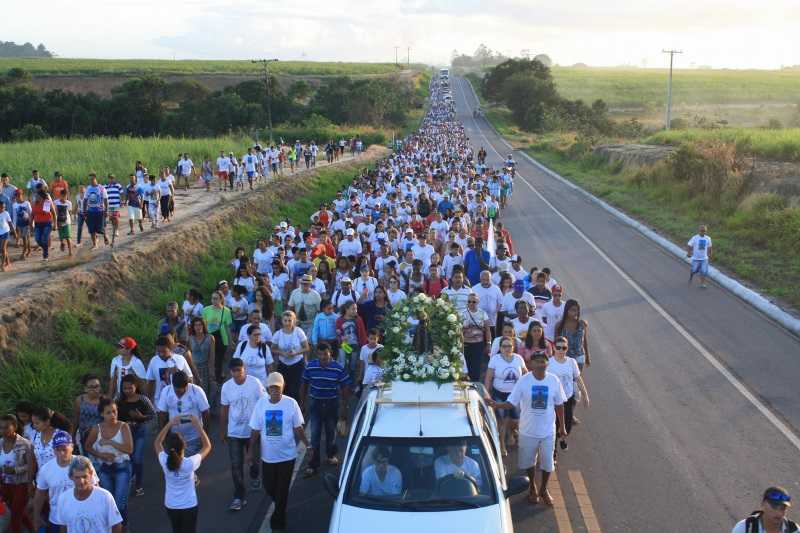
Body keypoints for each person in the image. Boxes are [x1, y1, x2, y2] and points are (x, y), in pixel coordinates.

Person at [490, 351, 566, 507]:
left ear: (547, 363)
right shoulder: (524, 381)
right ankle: (532, 486)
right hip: (527, 431)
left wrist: (562, 427)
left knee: (547, 462)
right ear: (531, 364)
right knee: (529, 462)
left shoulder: (554, 380)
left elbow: (559, 405)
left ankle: (544, 489)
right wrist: (496, 404)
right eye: (536, 361)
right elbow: (512, 402)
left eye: (542, 361)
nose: (540, 364)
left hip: (547, 432)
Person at [249, 372, 309, 532]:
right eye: (272, 387)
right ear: (268, 388)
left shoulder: (291, 403)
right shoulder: (261, 404)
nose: (275, 390)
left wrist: (307, 444)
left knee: (282, 490)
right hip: (268, 457)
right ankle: (280, 506)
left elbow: (298, 428)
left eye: (278, 387)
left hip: (287, 456)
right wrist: (249, 451)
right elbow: (255, 429)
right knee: (269, 487)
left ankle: (278, 522)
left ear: (283, 387)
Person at [220, 357, 266, 511]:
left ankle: (254, 476)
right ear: (230, 372)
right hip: (234, 433)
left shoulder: (255, 383)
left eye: (239, 370)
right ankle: (239, 496)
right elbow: (224, 409)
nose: (236, 374)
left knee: (253, 460)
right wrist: (223, 430)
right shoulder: (226, 387)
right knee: (235, 465)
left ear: (244, 369)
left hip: (252, 431)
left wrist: (263, 426)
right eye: (233, 371)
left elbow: (263, 403)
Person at [300, 342, 351, 477]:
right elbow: (304, 384)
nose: (323, 357)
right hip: (315, 403)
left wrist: (344, 406)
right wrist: (302, 403)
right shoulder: (310, 366)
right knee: (315, 434)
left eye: (325, 354)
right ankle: (312, 464)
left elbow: (345, 386)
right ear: (317, 354)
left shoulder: (338, 368)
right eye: (320, 354)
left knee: (330, 432)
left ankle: (330, 455)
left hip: (332, 403)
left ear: (331, 353)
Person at [155, 415, 212, 533]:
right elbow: (207, 446)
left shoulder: (164, 461)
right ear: (184, 445)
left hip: (171, 505)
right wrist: (197, 425)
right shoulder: (189, 464)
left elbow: (157, 443)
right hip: (189, 506)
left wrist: (169, 424)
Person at [33, 430, 98, 533]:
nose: (61, 453)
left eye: (64, 449)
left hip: (82, 518)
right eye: (57, 449)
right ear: (53, 450)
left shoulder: (84, 463)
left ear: (72, 447)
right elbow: (39, 495)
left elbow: (95, 488)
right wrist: (36, 517)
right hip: (57, 519)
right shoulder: (46, 469)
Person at [84, 396, 133, 526]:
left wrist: (110, 442)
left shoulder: (123, 427)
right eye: (108, 412)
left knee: (119, 502)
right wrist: (101, 455)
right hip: (104, 468)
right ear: (102, 414)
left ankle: (124, 528)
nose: (112, 415)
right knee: (109, 502)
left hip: (122, 467)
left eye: (114, 411)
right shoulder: (97, 429)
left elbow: (129, 449)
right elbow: (87, 447)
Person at [51, 456, 123, 532]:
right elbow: (63, 527)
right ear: (71, 477)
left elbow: (116, 525)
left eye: (84, 476)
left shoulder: (105, 496)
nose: (81, 481)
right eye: (77, 477)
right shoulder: (63, 499)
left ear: (91, 474)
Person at [484, 339, 527, 456]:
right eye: (504, 346)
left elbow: (525, 374)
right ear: (500, 348)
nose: (507, 348)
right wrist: (486, 393)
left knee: (515, 420)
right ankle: (502, 444)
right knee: (502, 421)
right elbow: (488, 377)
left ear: (513, 347)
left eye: (509, 346)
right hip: (499, 394)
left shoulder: (519, 359)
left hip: (515, 395)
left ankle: (512, 431)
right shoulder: (495, 359)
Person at [116, 374, 155, 497]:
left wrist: (141, 417)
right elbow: (113, 414)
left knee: (137, 458)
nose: (127, 391)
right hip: (124, 433)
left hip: (139, 431)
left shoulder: (143, 399)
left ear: (136, 387)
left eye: (130, 388)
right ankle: (129, 478)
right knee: (128, 458)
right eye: (124, 388)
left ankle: (138, 484)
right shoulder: (118, 400)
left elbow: (153, 415)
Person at [157, 371, 210, 457]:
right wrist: (163, 436)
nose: (178, 394)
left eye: (181, 392)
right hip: (174, 439)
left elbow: (206, 413)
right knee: (176, 466)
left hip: (194, 438)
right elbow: (161, 414)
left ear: (187, 385)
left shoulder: (197, 391)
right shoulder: (166, 391)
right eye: (176, 391)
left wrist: (205, 434)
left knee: (188, 466)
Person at [549, 337, 589, 451]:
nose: (561, 350)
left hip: (568, 398)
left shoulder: (571, 362)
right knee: (555, 424)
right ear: (553, 348)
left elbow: (578, 378)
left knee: (567, 424)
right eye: (558, 347)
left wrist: (585, 395)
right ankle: (554, 451)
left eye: (564, 348)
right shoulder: (549, 363)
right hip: (554, 401)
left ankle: (562, 438)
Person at [0, 414, 34, 533]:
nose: (2, 431)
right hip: (4, 484)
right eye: (0, 428)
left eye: (6, 427)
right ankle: (33, 529)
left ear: (14, 426)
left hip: (21, 484)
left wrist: (15, 470)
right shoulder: (0, 443)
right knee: (18, 512)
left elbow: (31, 465)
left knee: (15, 515)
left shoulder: (25, 444)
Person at [271, 310, 310, 400]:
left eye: (290, 320)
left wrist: (296, 353)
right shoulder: (278, 334)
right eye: (285, 320)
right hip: (283, 364)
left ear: (294, 321)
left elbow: (306, 347)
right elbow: (273, 348)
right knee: (284, 388)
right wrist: (282, 353)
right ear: (282, 321)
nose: (287, 323)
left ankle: (299, 407)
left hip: (297, 364)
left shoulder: (299, 331)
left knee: (296, 388)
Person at [146, 335, 194, 403]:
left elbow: (190, 380)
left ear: (170, 348)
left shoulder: (180, 359)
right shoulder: (154, 361)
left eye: (163, 351)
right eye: (158, 352)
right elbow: (150, 382)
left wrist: (178, 373)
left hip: (179, 400)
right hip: (160, 401)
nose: (161, 354)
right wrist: (148, 401)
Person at [731, 486, 796, 533]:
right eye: (774, 507)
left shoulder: (794, 530)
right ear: (763, 505)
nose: (779, 513)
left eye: (783, 508)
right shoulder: (744, 528)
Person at [202, 290, 233, 383]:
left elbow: (228, 328)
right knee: (209, 359)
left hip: (222, 338)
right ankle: (209, 377)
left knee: (219, 360)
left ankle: (218, 379)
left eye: (215, 299)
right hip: (209, 338)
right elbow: (204, 325)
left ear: (221, 299)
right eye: (212, 298)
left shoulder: (226, 311)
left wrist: (230, 341)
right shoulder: (206, 310)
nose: (213, 301)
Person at [461, 293, 492, 382]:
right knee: (466, 367)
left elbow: (487, 330)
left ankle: (475, 385)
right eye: (469, 301)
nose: (471, 303)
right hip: (466, 344)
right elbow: (459, 331)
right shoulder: (462, 314)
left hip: (478, 345)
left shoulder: (483, 313)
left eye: (473, 302)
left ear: (477, 302)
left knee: (477, 367)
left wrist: (488, 344)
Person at [556, 299, 591, 370]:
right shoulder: (559, 325)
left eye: (576, 310)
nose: (575, 313)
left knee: (577, 378)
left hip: (579, 356)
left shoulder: (582, 324)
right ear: (567, 311)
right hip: (565, 357)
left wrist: (587, 357)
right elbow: (556, 343)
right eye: (572, 310)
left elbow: (584, 342)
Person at [73, 374, 103, 453]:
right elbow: (76, 419)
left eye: (97, 386)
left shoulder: (104, 400)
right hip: (83, 435)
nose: (94, 389)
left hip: (100, 437)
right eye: (91, 387)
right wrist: (72, 437)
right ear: (85, 388)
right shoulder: (80, 400)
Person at [31, 186, 57, 261]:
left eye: (37, 196)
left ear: (41, 196)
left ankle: (45, 255)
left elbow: (53, 213)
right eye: (35, 196)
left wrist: (55, 224)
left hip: (47, 223)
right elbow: (32, 214)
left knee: (44, 239)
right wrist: (30, 225)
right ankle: (45, 248)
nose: (35, 197)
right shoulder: (35, 203)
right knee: (37, 239)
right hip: (37, 224)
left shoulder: (47, 201)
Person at [687, 224, 712, 289]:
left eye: (704, 231)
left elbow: (710, 247)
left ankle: (702, 284)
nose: (703, 232)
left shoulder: (708, 238)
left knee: (703, 271)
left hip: (704, 258)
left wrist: (710, 254)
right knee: (694, 270)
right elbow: (689, 245)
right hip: (695, 258)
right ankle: (692, 273)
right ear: (699, 231)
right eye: (702, 231)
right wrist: (689, 253)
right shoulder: (695, 238)